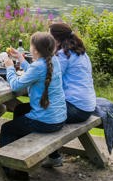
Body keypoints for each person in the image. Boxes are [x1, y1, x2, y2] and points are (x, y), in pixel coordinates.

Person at [0, 32, 66, 181]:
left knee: (7, 129)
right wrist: (21, 59)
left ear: (34, 50)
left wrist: (9, 67)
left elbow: (15, 86)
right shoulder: (54, 60)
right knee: (21, 109)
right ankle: (18, 166)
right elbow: (36, 72)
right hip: (59, 117)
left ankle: (6, 171)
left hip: (46, 121)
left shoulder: (39, 66)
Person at [40, 22, 97, 168]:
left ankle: (26, 155)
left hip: (76, 108)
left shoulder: (62, 56)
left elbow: (49, 80)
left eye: (49, 36)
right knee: (38, 109)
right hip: (87, 106)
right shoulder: (80, 53)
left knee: (36, 114)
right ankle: (53, 156)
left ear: (56, 40)